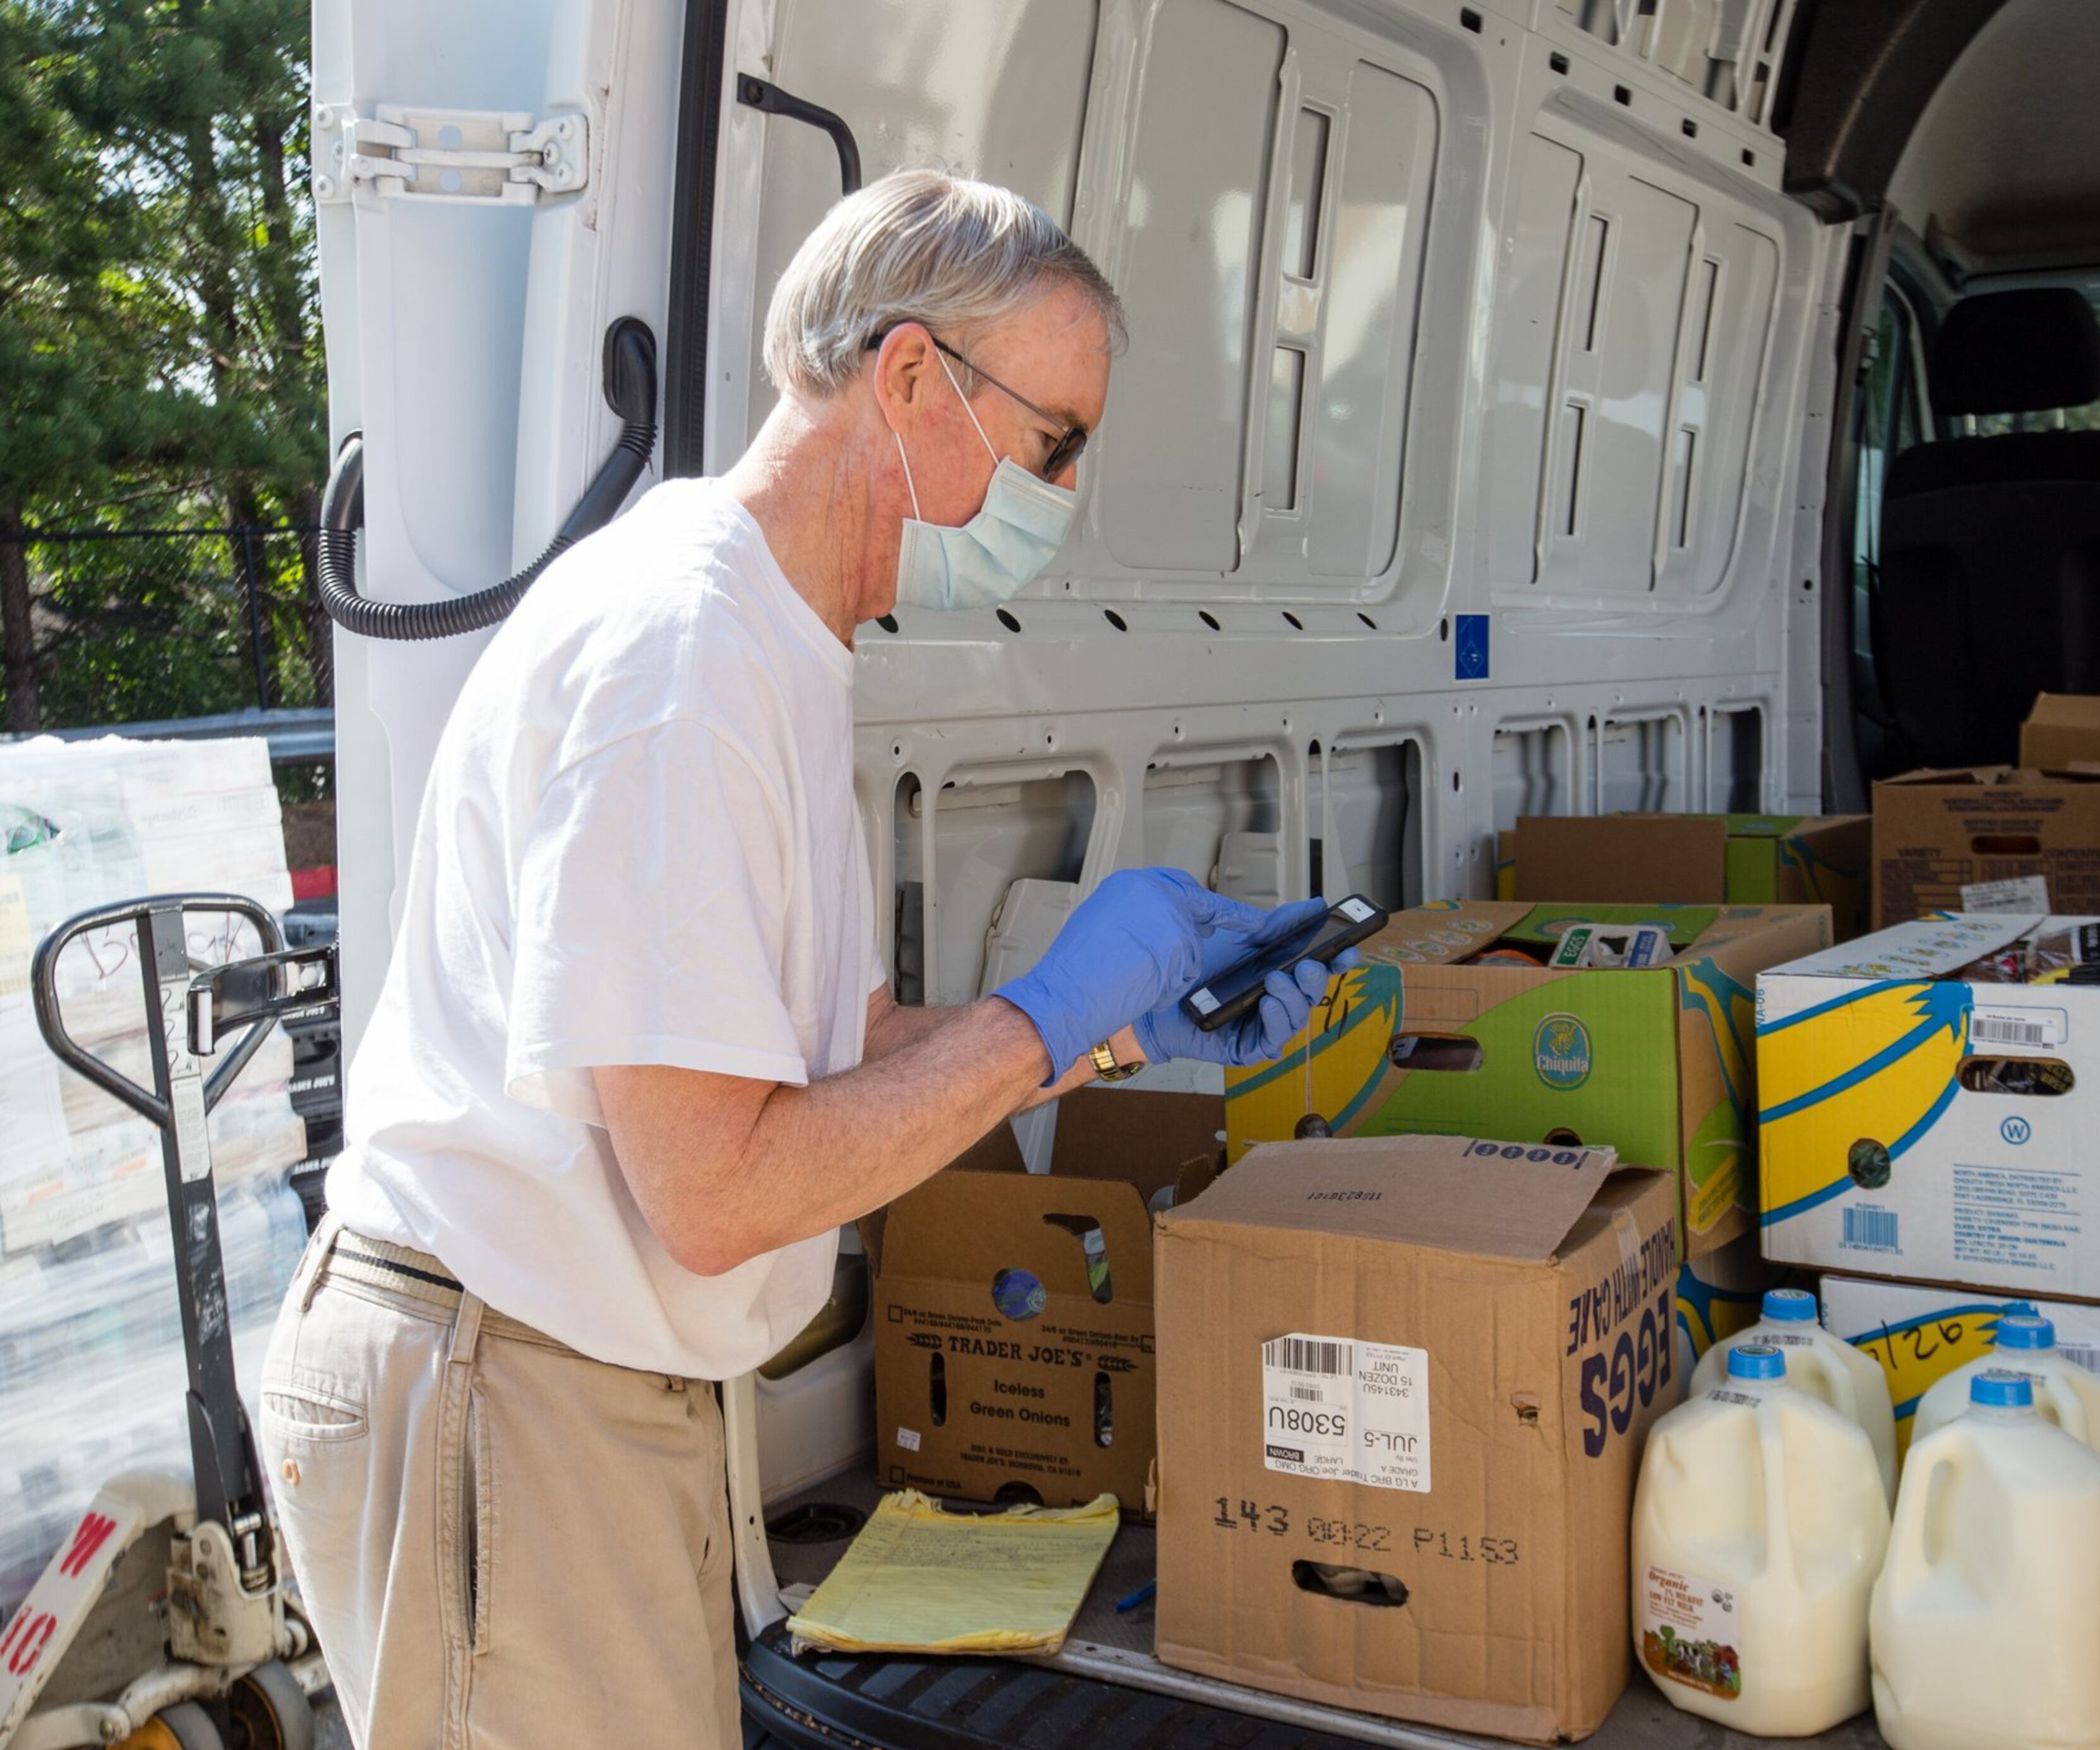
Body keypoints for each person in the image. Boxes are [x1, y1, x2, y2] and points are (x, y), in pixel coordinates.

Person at [260, 170, 1356, 1748]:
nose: (1065, 492)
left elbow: (839, 1066)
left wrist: (1114, 1029)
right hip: (507, 1375)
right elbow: (717, 1190)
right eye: (1056, 442)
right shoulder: (685, 657)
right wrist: (1043, 1020)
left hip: (564, 1375)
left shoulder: (770, 640)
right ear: (908, 377)